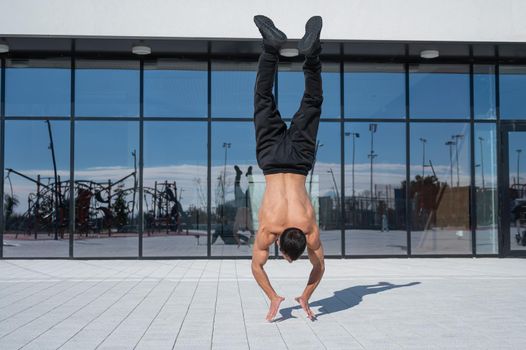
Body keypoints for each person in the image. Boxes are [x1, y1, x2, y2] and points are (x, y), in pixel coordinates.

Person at [251, 15, 325, 322]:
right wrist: (274, 297)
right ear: (281, 243)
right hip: (270, 160)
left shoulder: (309, 228)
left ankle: (312, 55)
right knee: (262, 100)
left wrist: (306, 296)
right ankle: (270, 49)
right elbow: (256, 266)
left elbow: (319, 266)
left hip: (299, 161)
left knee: (312, 101)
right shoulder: (268, 231)